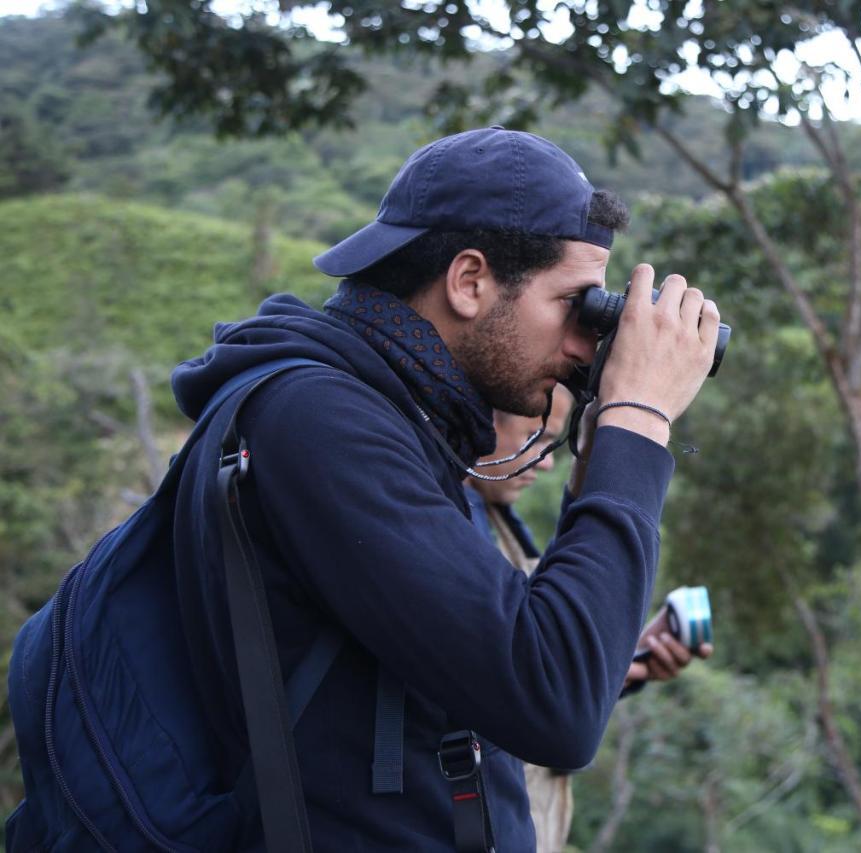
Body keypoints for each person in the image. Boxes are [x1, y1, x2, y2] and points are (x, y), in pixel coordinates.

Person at [168, 126, 719, 851]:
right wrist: (637, 416)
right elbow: (555, 701)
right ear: (469, 281)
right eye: (575, 303)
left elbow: (515, 649)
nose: (588, 341)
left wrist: (597, 437)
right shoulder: (321, 423)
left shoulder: (405, 423)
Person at [465, 385, 713, 851]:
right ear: (481, 418)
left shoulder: (499, 522)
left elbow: (536, 667)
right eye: (532, 439)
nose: (544, 462)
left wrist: (623, 658)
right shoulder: (460, 531)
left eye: (552, 444)